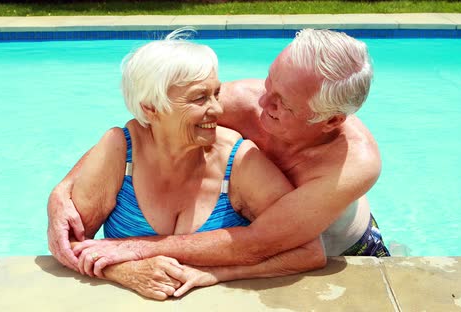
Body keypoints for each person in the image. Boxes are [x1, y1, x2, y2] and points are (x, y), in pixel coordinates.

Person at [48, 28, 390, 296]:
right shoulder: (244, 101)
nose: (262, 100)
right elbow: (151, 123)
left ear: (330, 120)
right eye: (270, 83)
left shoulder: (353, 164)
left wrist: (132, 249)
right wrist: (64, 189)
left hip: (344, 244)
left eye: (282, 103)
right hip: (257, 238)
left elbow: (262, 244)